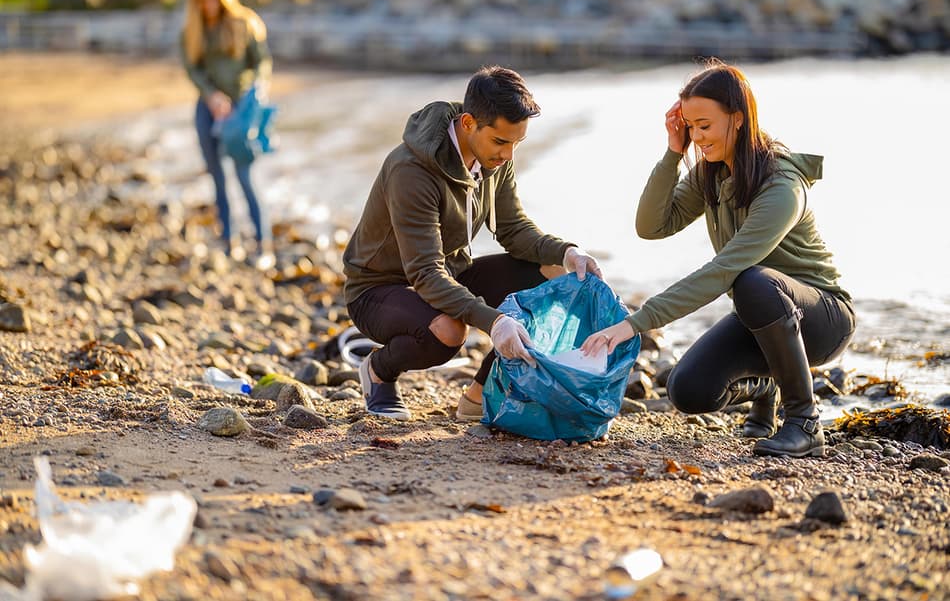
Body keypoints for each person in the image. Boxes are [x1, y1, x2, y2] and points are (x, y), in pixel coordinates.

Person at [581, 61, 855, 458]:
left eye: (704, 125)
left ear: (738, 118)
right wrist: (674, 153)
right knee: (688, 391)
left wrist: (634, 324)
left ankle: (804, 422)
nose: (697, 136)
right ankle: (767, 387)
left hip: (823, 319)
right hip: (762, 314)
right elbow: (652, 226)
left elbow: (725, 270)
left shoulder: (782, 185)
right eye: (690, 126)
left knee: (753, 280)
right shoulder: (710, 172)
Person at [343, 66, 602, 421]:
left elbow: (512, 229)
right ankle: (377, 372)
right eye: (500, 142)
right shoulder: (411, 171)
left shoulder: (492, 158)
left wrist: (567, 251)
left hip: (448, 273)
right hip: (380, 288)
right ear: (468, 124)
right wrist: (495, 322)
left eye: (516, 143)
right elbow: (425, 273)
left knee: (559, 278)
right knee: (449, 332)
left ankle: (479, 396)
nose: (508, 155)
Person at [181, 0, 274, 268]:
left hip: (242, 108)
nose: (208, 6)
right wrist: (211, 96)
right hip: (208, 108)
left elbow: (261, 63)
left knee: (246, 176)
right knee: (217, 177)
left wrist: (252, 91)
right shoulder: (193, 31)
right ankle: (229, 241)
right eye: (202, 1)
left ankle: (263, 245)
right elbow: (193, 70)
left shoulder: (243, 23)